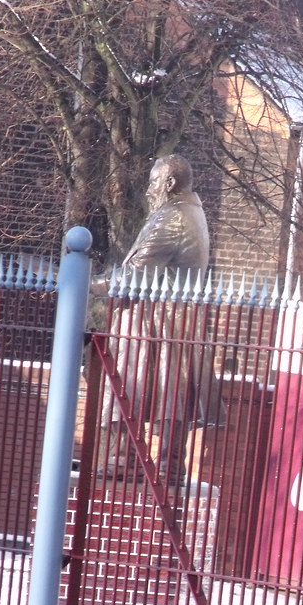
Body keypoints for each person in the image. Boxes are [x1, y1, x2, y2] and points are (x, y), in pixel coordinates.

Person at [97, 154, 219, 484]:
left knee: (130, 387)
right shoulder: (192, 212)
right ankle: (168, 460)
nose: (149, 191)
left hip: (154, 321)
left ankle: (123, 457)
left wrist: (91, 283)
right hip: (175, 319)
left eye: (153, 183)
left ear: (168, 184)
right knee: (170, 393)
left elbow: (135, 275)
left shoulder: (172, 217)